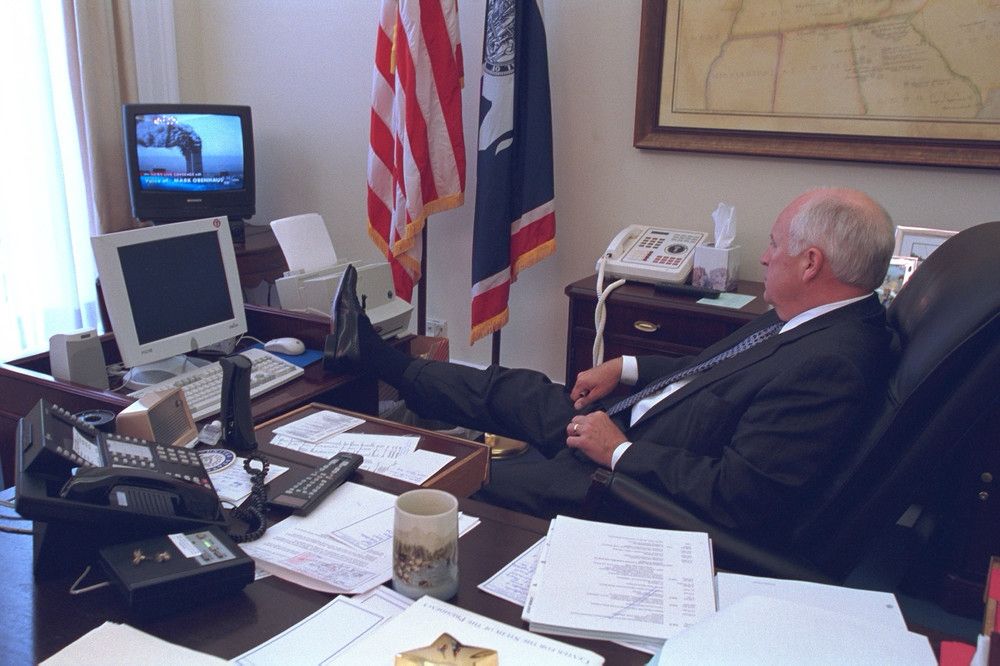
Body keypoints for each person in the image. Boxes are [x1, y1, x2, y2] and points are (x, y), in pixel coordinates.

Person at [325, 187, 896, 540]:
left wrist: (617, 449)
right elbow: (708, 370)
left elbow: (741, 497)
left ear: (811, 263)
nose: (766, 256)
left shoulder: (831, 364)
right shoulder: (806, 315)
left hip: (628, 482)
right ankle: (379, 361)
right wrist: (623, 367)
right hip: (635, 421)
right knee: (513, 388)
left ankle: (357, 506)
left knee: (467, 474)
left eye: (775, 246)